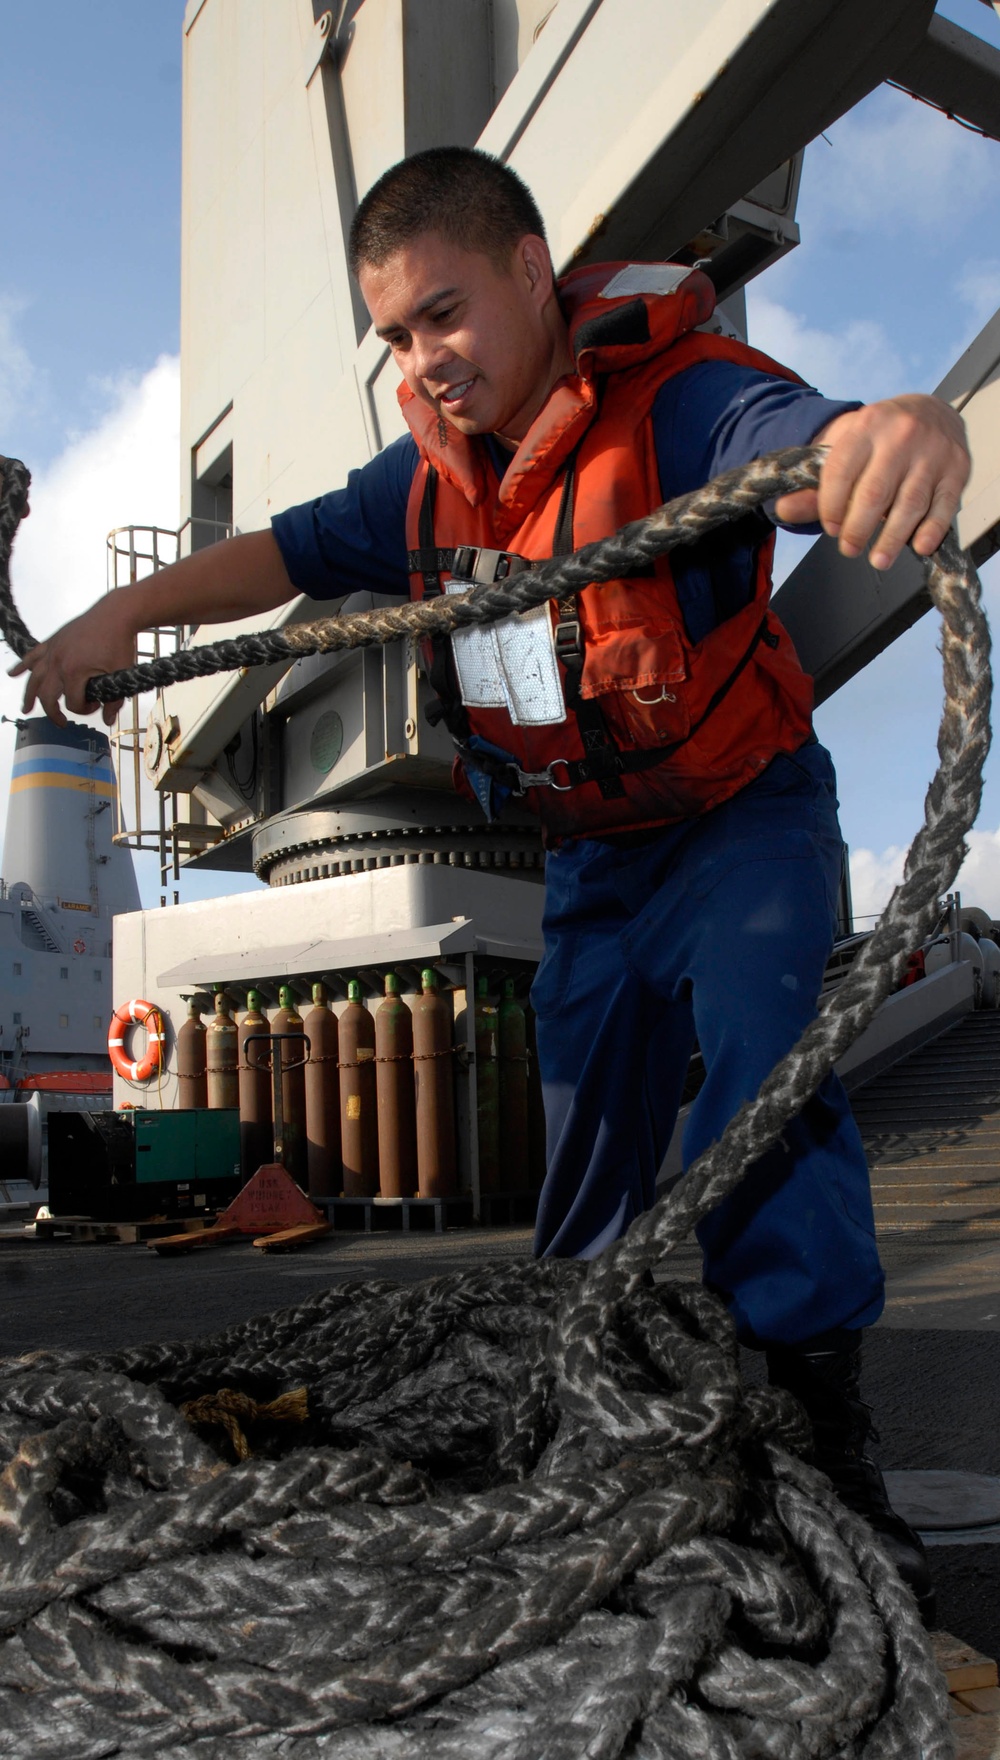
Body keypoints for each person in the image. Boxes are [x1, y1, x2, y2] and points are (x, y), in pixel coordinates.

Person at [14, 147, 968, 1619]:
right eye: (395, 335)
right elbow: (276, 555)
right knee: (583, 1130)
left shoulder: (683, 402)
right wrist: (115, 614)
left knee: (764, 1068)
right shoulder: (419, 496)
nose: (424, 360)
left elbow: (799, 439)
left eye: (445, 315)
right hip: (589, 855)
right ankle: (586, 1394)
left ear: (532, 273)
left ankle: (825, 1428)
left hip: (739, 816)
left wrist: (896, 429)